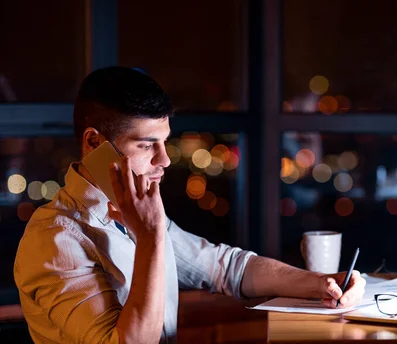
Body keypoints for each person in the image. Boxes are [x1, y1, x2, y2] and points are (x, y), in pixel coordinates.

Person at [13, 67, 366, 344]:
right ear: (94, 142)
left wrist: (321, 284)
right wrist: (150, 237)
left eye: (165, 142)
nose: (164, 160)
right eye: (147, 145)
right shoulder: (55, 239)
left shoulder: (132, 212)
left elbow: (224, 267)